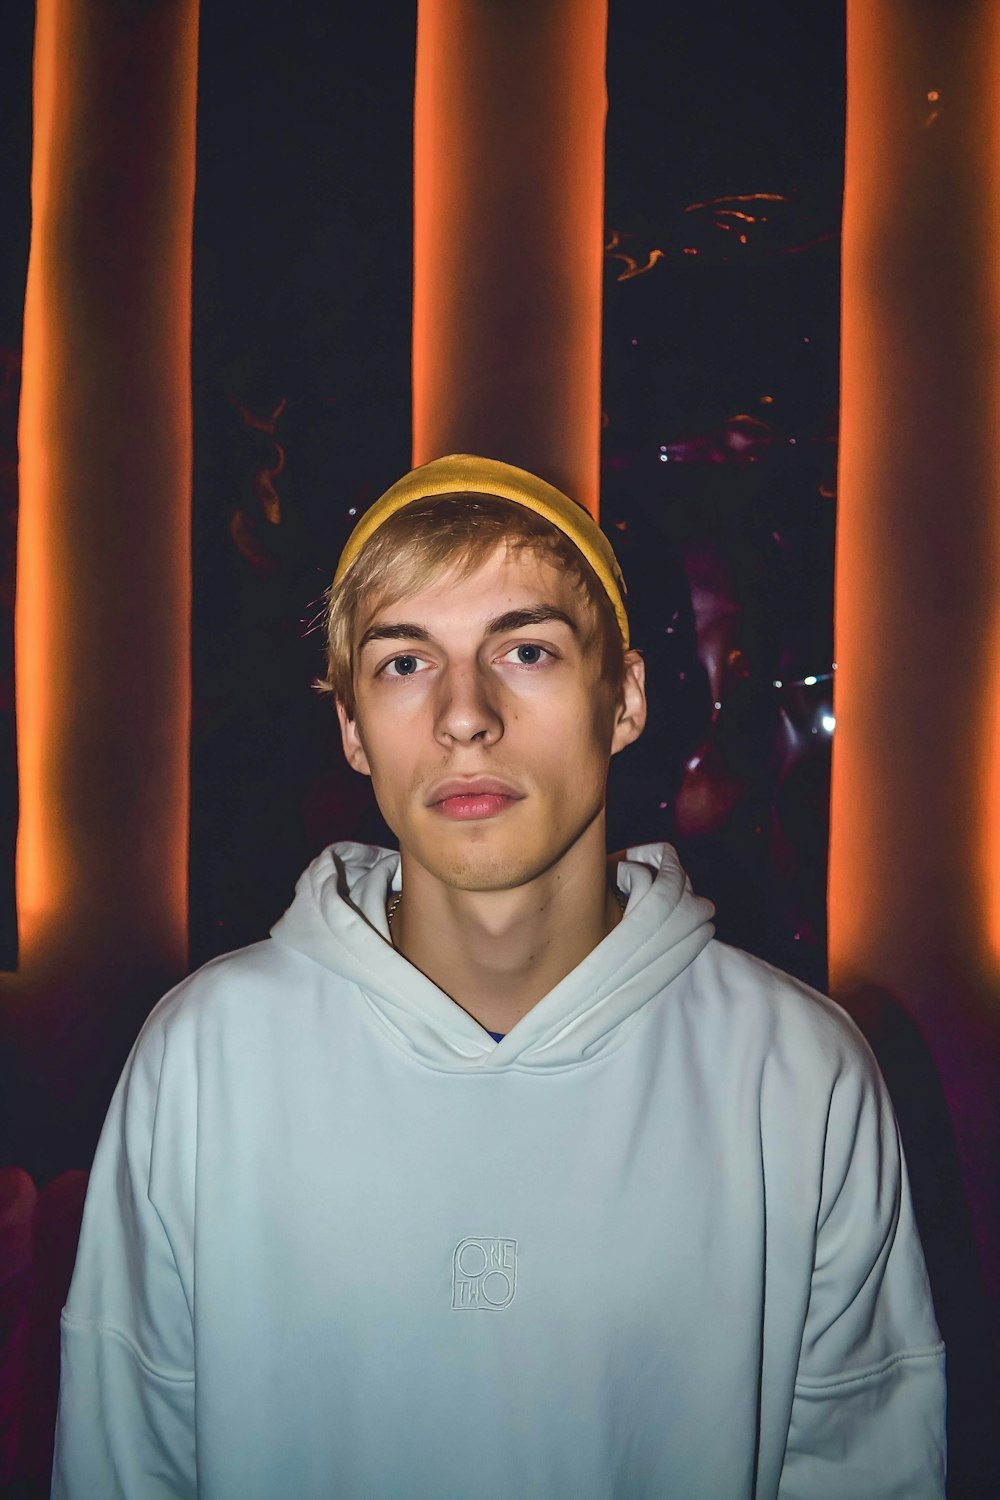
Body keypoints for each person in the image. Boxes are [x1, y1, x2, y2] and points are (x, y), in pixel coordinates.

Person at [52, 455, 945, 1498]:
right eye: (402, 663)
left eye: (525, 650)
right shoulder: (205, 1057)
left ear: (624, 701)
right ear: (350, 728)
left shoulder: (799, 1075)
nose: (463, 715)